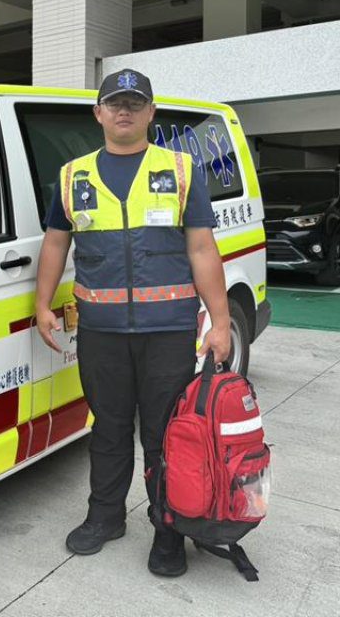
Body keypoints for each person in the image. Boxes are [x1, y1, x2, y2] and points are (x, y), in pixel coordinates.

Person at [34, 68, 231, 577]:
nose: (124, 110)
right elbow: (56, 243)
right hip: (100, 331)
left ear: (150, 113)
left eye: (134, 103)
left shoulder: (182, 169)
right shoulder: (73, 175)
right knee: (109, 428)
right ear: (98, 113)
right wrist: (42, 305)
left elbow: (202, 247)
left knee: (164, 433)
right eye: (114, 102)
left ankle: (168, 528)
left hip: (167, 330)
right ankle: (105, 517)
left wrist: (221, 321)